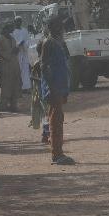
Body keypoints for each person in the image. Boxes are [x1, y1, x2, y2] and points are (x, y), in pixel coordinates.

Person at [41, 16, 75, 165]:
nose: (61, 28)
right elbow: (44, 66)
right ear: (51, 27)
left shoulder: (59, 42)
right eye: (58, 25)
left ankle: (58, 152)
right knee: (55, 121)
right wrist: (52, 87)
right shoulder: (48, 43)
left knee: (58, 119)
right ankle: (57, 154)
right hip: (54, 88)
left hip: (60, 86)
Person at [0, 24, 22, 112]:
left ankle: (13, 105)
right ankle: (3, 105)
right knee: (6, 85)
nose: (13, 29)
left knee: (15, 84)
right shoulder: (0, 38)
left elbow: (15, 50)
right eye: (11, 28)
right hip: (5, 64)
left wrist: (17, 50)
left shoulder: (12, 38)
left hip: (14, 64)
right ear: (6, 28)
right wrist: (9, 53)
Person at [11, 17, 32, 92]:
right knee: (17, 70)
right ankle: (17, 87)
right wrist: (19, 44)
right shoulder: (12, 31)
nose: (18, 23)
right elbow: (12, 43)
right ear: (14, 22)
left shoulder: (25, 30)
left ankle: (25, 87)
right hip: (17, 54)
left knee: (25, 70)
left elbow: (28, 40)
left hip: (24, 53)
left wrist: (24, 44)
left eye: (20, 21)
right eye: (17, 21)